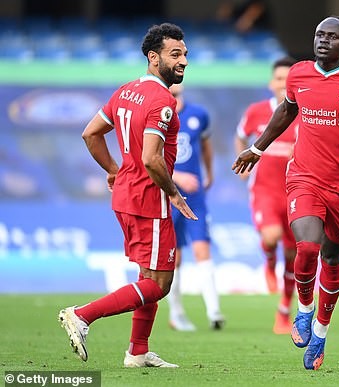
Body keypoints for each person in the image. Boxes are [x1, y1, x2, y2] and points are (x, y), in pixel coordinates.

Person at [232, 16, 339, 370]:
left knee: (333, 260)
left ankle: (321, 331)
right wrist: (257, 149)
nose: (323, 41)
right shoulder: (299, 74)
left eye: (332, 37)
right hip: (304, 178)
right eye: (319, 34)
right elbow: (286, 111)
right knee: (306, 246)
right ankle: (304, 310)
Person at [58, 23, 195, 367]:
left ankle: (137, 350)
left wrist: (114, 170)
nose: (183, 62)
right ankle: (82, 315)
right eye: (175, 54)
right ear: (153, 58)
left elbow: (91, 134)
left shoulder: (126, 91)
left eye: (185, 55)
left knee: (148, 274)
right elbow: (151, 158)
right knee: (160, 283)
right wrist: (174, 193)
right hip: (150, 198)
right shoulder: (162, 100)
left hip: (126, 194)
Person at [234, 56, 298, 335]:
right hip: (265, 190)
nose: (284, 84)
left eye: (289, 80)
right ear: (272, 83)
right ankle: (270, 263)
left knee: (295, 254)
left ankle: (283, 312)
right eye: (280, 79)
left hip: (296, 190)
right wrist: (244, 164)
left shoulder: (305, 114)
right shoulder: (257, 111)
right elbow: (240, 136)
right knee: (271, 236)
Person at [167, 83, 225, 331]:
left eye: (178, 94)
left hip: (196, 197)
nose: (175, 99)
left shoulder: (198, 115)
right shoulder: (157, 117)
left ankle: (214, 312)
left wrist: (208, 173)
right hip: (169, 196)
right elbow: (149, 157)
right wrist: (178, 178)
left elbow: (206, 148)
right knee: (175, 257)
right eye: (170, 95)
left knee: (203, 249)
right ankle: (176, 313)